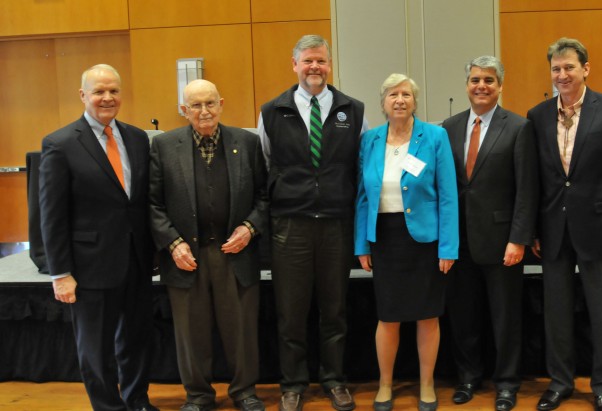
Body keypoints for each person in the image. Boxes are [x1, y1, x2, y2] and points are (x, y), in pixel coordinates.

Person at [527, 37, 602, 411]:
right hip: (554, 233)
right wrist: (532, 231)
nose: (562, 75)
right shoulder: (537, 115)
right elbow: (537, 180)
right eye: (556, 69)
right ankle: (560, 382)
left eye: (569, 67)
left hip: (601, 231)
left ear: (585, 69)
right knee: (556, 315)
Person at [257, 34, 367, 411]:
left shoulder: (352, 110)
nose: (314, 67)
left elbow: (361, 166)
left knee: (334, 311)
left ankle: (334, 379)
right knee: (291, 312)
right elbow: (265, 166)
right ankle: (293, 384)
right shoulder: (272, 111)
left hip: (337, 224)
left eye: (320, 61)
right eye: (307, 61)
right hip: (291, 226)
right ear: (295, 64)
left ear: (329, 64)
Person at [39, 64, 158, 411]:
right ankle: (108, 407)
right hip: (89, 267)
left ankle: (137, 401)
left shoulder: (137, 138)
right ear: (83, 95)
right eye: (99, 91)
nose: (107, 98)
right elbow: (51, 215)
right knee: (96, 349)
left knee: (136, 341)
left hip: (136, 261)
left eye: (114, 91)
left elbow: (138, 202)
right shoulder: (60, 144)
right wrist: (60, 273)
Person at [149, 79, 268, 411]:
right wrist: (173, 243)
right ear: (184, 110)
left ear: (222, 103)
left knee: (241, 329)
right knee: (191, 332)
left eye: (210, 103)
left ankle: (244, 391)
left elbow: (265, 196)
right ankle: (198, 396)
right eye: (196, 105)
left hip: (236, 253)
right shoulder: (163, 146)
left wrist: (250, 227)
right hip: (186, 256)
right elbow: (152, 204)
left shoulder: (247, 142)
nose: (204, 111)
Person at [355, 73, 459, 411]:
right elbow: (362, 198)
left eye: (406, 94)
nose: (400, 100)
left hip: (425, 241)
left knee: (428, 316)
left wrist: (448, 246)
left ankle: (427, 384)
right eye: (392, 95)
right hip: (385, 240)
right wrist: (361, 245)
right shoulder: (370, 140)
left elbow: (448, 196)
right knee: (388, 316)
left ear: (414, 101)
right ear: (383, 103)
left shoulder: (435, 136)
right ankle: (385, 385)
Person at [441, 56, 538, 411]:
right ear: (466, 85)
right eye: (475, 80)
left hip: (502, 242)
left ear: (500, 86)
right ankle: (468, 377)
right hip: (458, 241)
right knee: (463, 314)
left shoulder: (518, 127)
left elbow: (527, 190)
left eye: (489, 80)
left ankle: (507, 383)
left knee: (505, 317)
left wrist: (519, 238)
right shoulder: (447, 127)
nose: (481, 86)